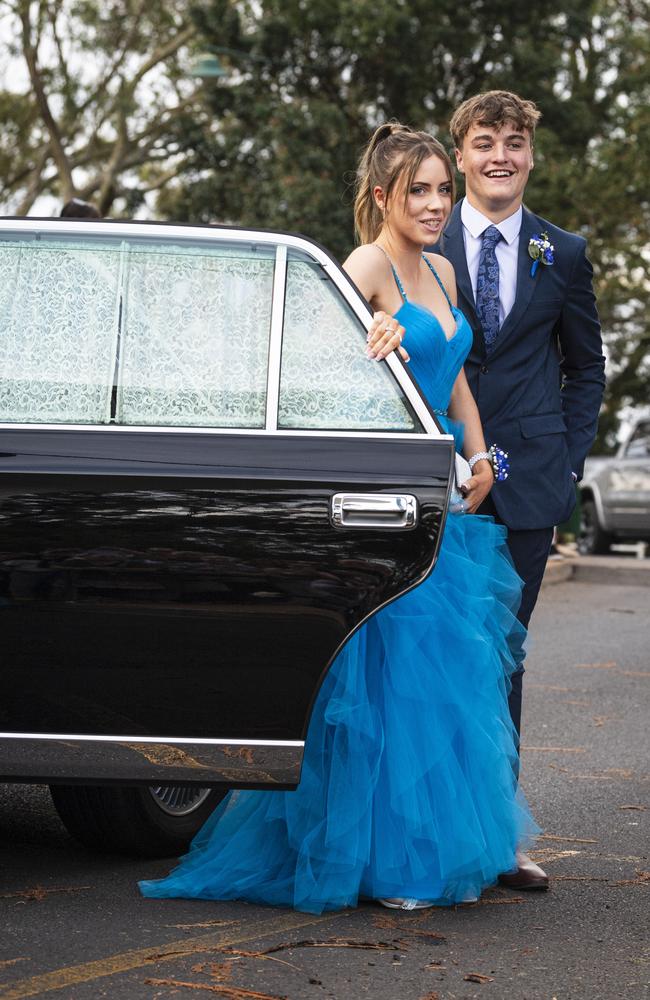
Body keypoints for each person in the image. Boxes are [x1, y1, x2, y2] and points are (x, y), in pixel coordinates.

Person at [139, 123, 538, 914]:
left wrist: (484, 454)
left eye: (441, 190)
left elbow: (455, 381)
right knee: (382, 687)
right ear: (383, 197)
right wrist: (370, 342)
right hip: (387, 501)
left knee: (445, 691)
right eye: (417, 190)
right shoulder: (367, 264)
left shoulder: (445, 273)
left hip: (450, 498)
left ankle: (425, 852)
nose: (433, 203)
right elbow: (313, 367)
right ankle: (381, 865)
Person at [426, 91, 605, 890]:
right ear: (460, 154)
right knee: (430, 654)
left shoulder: (560, 253)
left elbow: (586, 366)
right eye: (485, 142)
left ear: (531, 154)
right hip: (438, 481)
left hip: (530, 485)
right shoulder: (421, 245)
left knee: (502, 655)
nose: (501, 156)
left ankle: (500, 836)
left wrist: (565, 460)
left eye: (515, 143)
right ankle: (427, 826)